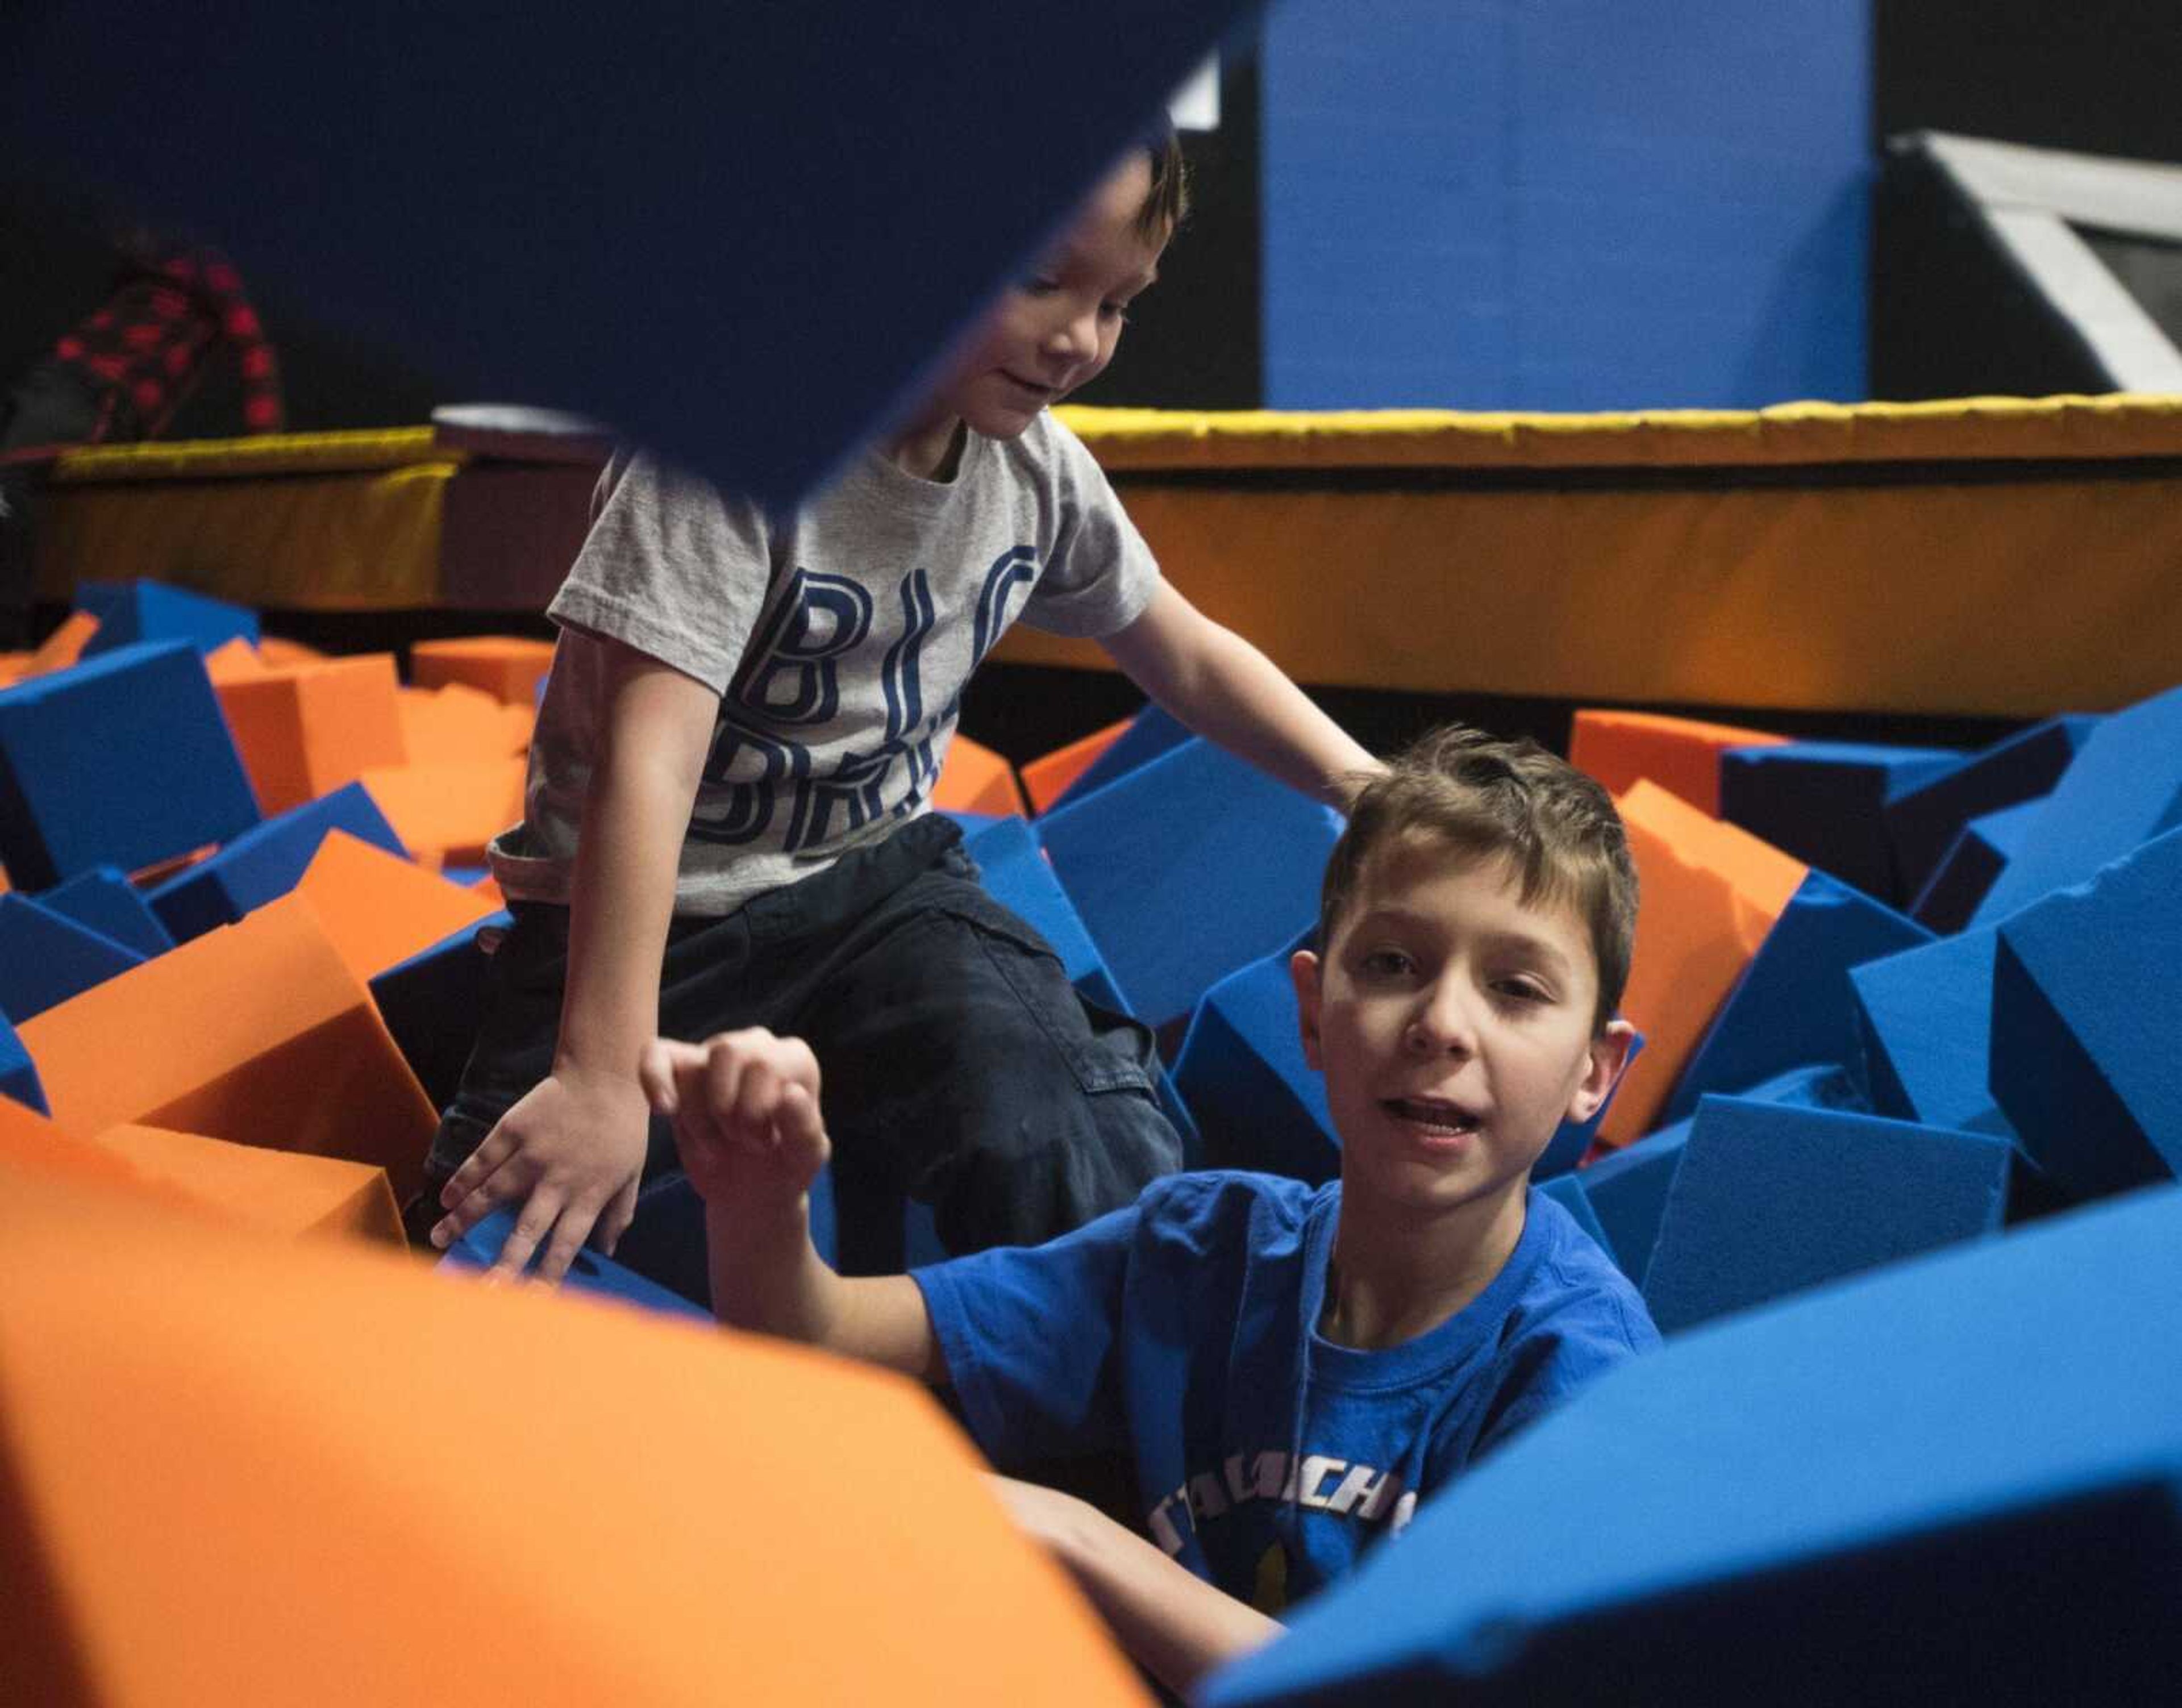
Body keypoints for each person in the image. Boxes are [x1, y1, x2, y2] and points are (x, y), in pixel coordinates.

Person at [422, 131, 1381, 1281]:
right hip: (642, 928)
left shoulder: (1033, 473)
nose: (1080, 339)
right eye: (1041, 280)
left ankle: (1138, 1386)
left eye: (1118, 303)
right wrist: (597, 1073)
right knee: (507, 1230)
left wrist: (1360, 784)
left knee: (1065, 1116)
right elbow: (650, 767)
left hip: (881, 896)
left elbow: (1177, 644)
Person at [645, 725, 1659, 1694]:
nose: (1442, 1023)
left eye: (1516, 988)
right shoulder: (1198, 1249)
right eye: (1392, 964)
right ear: (1311, 1012)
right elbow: (811, 1333)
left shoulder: (1581, 1374)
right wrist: (756, 1201)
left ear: (1595, 1070)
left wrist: (1079, 1541)